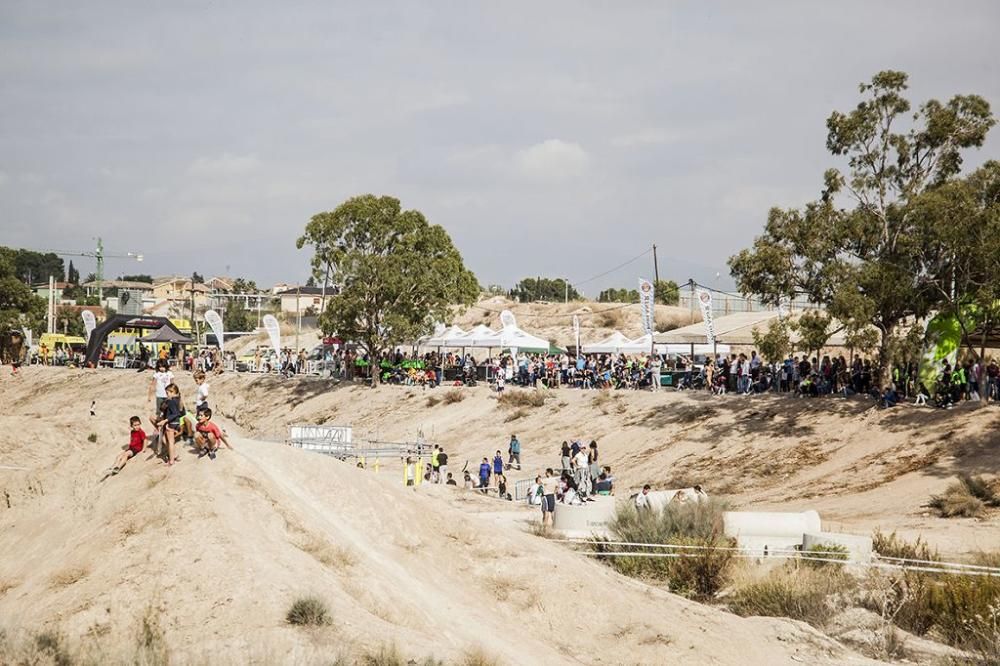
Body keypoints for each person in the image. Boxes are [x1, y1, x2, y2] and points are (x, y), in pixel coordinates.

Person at [154, 383, 183, 466]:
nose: (166, 395)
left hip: (172, 423)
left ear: (172, 392)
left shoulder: (172, 401)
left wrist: (165, 421)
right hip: (174, 422)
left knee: (170, 442)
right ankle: (174, 456)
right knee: (167, 439)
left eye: (167, 393)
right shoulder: (176, 400)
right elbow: (163, 408)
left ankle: (171, 461)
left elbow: (175, 413)